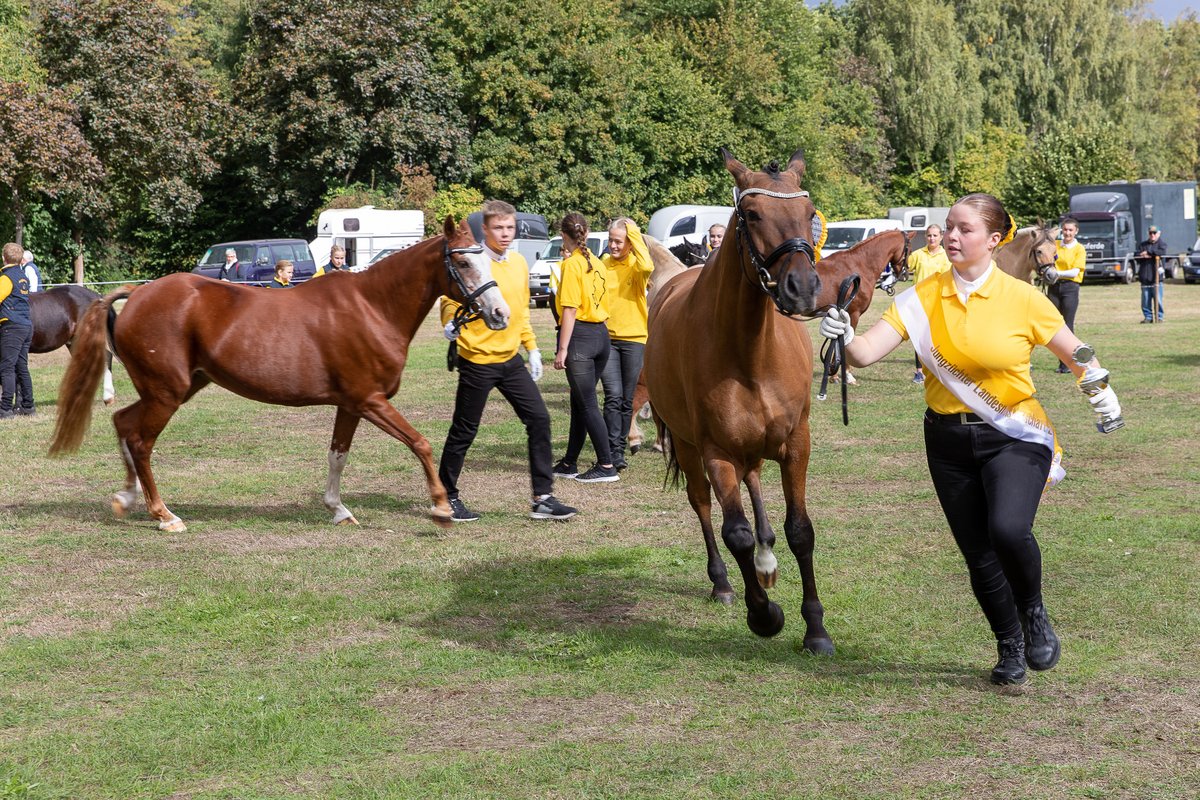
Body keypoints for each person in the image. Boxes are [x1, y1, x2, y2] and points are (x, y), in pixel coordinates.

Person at [818, 193, 1122, 686]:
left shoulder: (1023, 298)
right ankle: (1009, 644)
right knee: (977, 552)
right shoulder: (919, 297)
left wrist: (1100, 388)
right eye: (948, 227)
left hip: (1014, 435)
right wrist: (842, 335)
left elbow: (1075, 351)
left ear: (994, 239)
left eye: (965, 229)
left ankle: (1034, 613)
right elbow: (866, 354)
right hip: (947, 442)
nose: (952, 237)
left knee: (1007, 530)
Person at [438, 200, 576, 522]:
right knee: (465, 430)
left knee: (539, 419)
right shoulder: (475, 261)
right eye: (498, 228)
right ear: (484, 230)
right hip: (477, 360)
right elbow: (450, 297)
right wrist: (449, 323)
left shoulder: (518, 264)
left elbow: (522, 311)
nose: (505, 234)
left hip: (510, 359)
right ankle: (447, 495)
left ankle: (543, 498)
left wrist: (532, 348)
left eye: (510, 228)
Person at [552, 212, 619, 483]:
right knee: (579, 401)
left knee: (588, 403)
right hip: (601, 336)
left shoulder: (572, 266)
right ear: (587, 234)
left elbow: (569, 309)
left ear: (563, 236)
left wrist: (562, 349)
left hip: (580, 338)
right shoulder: (597, 263)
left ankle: (606, 465)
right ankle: (570, 462)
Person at [598, 218, 653, 470]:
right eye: (611, 240)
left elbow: (647, 263)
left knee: (626, 398)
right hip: (607, 339)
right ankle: (611, 450)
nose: (613, 245)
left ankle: (618, 450)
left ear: (630, 244)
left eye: (619, 241)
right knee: (612, 395)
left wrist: (632, 230)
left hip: (633, 340)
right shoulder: (602, 265)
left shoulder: (637, 268)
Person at [905, 224, 952, 383]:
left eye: (935, 235)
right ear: (926, 237)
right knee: (919, 338)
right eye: (929, 235)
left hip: (938, 302)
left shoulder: (946, 257)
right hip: (918, 301)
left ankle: (938, 370)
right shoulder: (918, 254)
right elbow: (905, 267)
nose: (932, 238)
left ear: (941, 237)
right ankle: (919, 371)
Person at [0, 243, 35, 418]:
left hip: (12, 327)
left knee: (6, 368)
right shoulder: (22, 276)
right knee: (22, 367)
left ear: (3, 257)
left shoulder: (6, 278)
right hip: (26, 325)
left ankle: (5, 408)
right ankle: (28, 406)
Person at [1048, 218, 1086, 371]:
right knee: (1054, 325)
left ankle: (1068, 363)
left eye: (1070, 230)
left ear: (1076, 231)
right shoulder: (1055, 246)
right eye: (1065, 230)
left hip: (1070, 288)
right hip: (1054, 287)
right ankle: (1062, 362)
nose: (1067, 233)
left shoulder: (1079, 249)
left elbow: (1074, 272)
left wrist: (1056, 273)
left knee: (1068, 325)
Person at [1136, 225, 1167, 323]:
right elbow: (1136, 255)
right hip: (1145, 278)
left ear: (1159, 233)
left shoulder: (1162, 244)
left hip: (1157, 279)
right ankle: (1148, 317)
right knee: (1145, 301)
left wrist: (1149, 252)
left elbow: (1161, 252)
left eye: (1154, 233)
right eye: (1151, 233)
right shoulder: (1143, 244)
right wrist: (1142, 254)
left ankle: (1159, 317)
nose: (1152, 235)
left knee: (1158, 300)